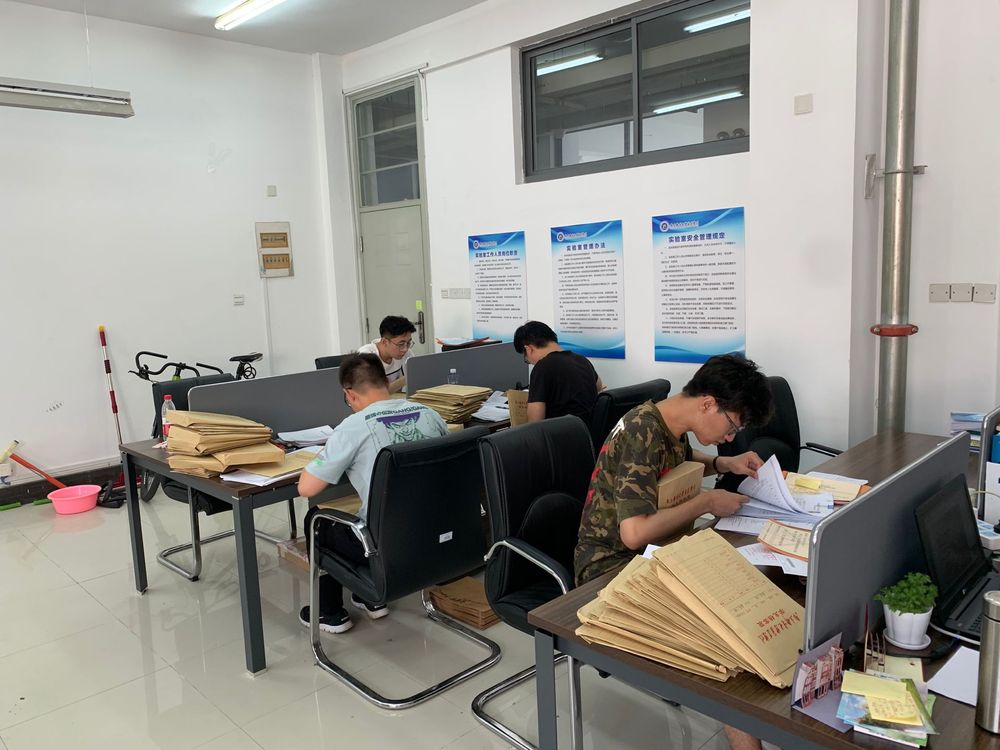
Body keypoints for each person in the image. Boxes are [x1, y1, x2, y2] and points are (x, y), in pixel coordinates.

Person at [573, 353, 773, 750]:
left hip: (654, 553)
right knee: (718, 634)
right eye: (732, 426)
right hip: (608, 568)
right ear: (708, 404)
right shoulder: (641, 431)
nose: (731, 436)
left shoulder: (668, 421)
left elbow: (678, 460)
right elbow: (633, 534)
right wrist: (705, 502)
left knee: (738, 591)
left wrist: (724, 463)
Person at [297, 352, 448, 633]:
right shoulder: (430, 414)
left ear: (349, 394)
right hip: (437, 537)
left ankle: (329, 613)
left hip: (385, 546)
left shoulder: (352, 427)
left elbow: (306, 487)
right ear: (386, 382)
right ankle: (370, 598)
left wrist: (326, 453)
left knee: (317, 520)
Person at [513, 320, 605, 423]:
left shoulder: (542, 367)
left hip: (562, 431)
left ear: (528, 349)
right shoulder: (581, 359)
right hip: (589, 429)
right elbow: (599, 386)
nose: (531, 363)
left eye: (526, 360)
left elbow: (535, 421)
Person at [357, 315, 416, 394]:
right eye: (401, 344)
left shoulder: (406, 352)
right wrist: (406, 378)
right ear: (385, 342)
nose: (405, 349)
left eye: (408, 343)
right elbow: (374, 394)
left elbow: (417, 380)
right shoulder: (366, 356)